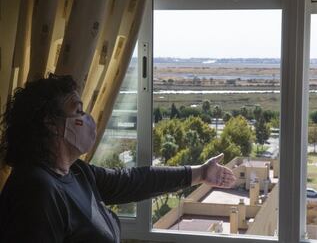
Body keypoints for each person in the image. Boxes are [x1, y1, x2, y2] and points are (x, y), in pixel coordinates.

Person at [0, 74, 236, 243]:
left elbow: (132, 181)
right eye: (78, 111)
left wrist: (201, 173)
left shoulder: (77, 172)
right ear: (50, 124)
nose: (87, 119)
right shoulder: (36, 189)